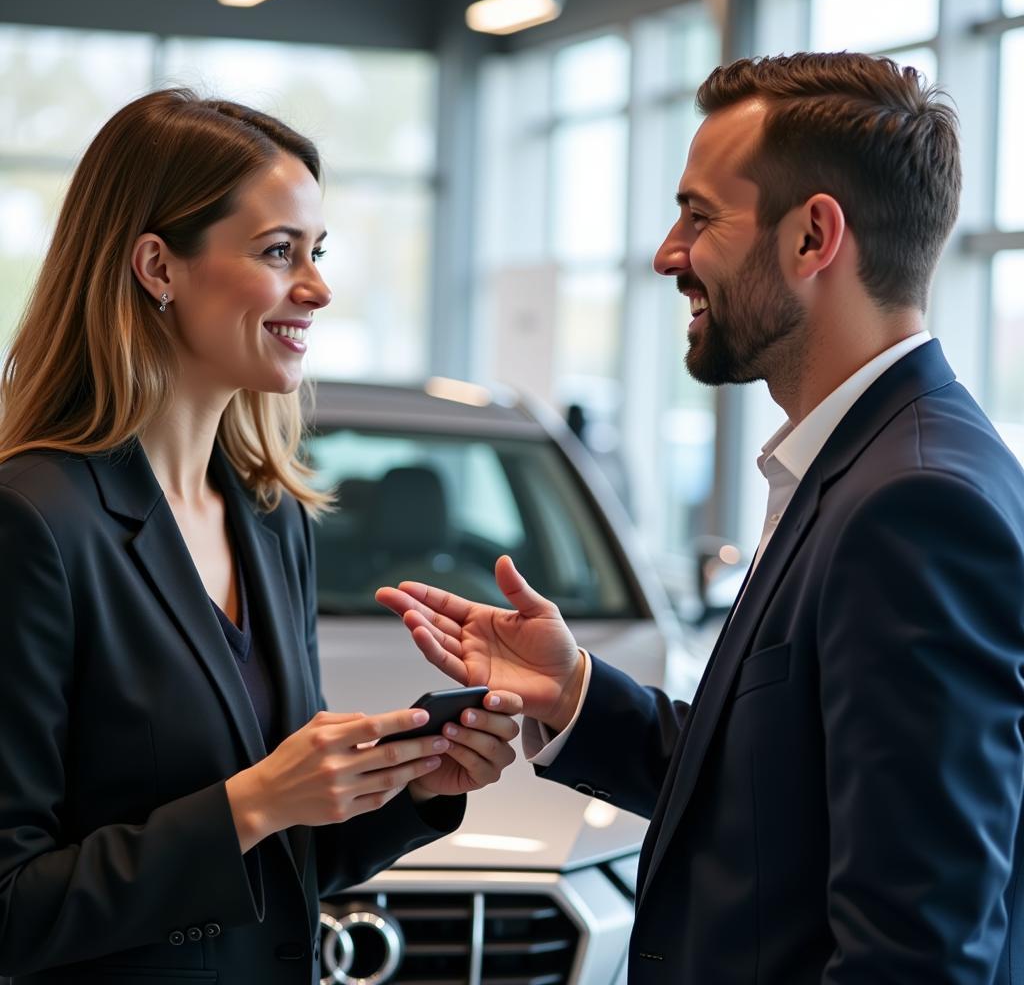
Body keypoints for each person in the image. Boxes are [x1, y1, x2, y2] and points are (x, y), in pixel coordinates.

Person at [378, 53, 1024, 982]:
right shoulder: (865, 466)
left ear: (813, 239)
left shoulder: (914, 504)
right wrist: (577, 694)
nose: (666, 252)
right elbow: (778, 792)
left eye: (700, 215)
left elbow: (917, 949)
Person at [0, 88, 521, 984]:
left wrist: (415, 793)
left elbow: (281, 867)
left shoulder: (269, 518)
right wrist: (246, 805)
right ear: (157, 266)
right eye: (280, 253)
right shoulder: (34, 523)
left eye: (316, 253)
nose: (318, 288)